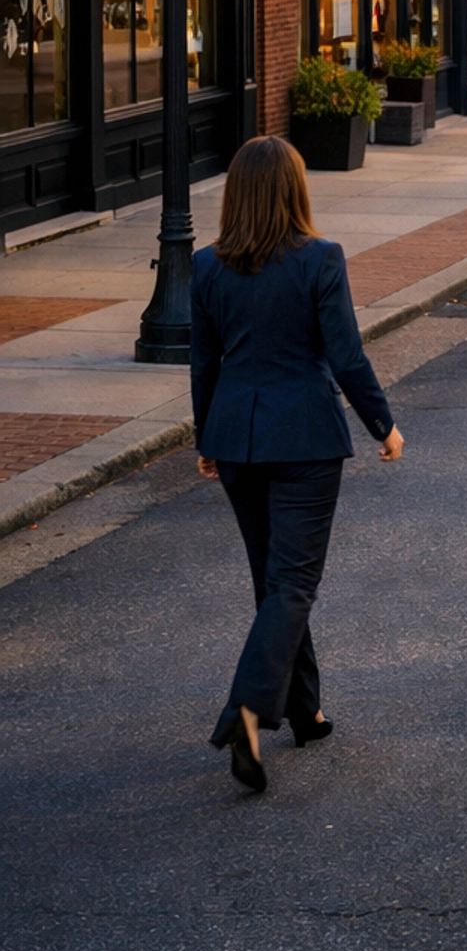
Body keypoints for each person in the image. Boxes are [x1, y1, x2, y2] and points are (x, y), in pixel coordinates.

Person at [191, 135, 403, 794]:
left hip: (237, 441)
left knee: (274, 581)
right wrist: (384, 423)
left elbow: (205, 364)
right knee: (292, 583)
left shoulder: (205, 267)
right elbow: (344, 355)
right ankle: (247, 711)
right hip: (306, 438)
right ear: (295, 191)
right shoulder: (320, 259)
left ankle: (304, 710)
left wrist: (207, 439)